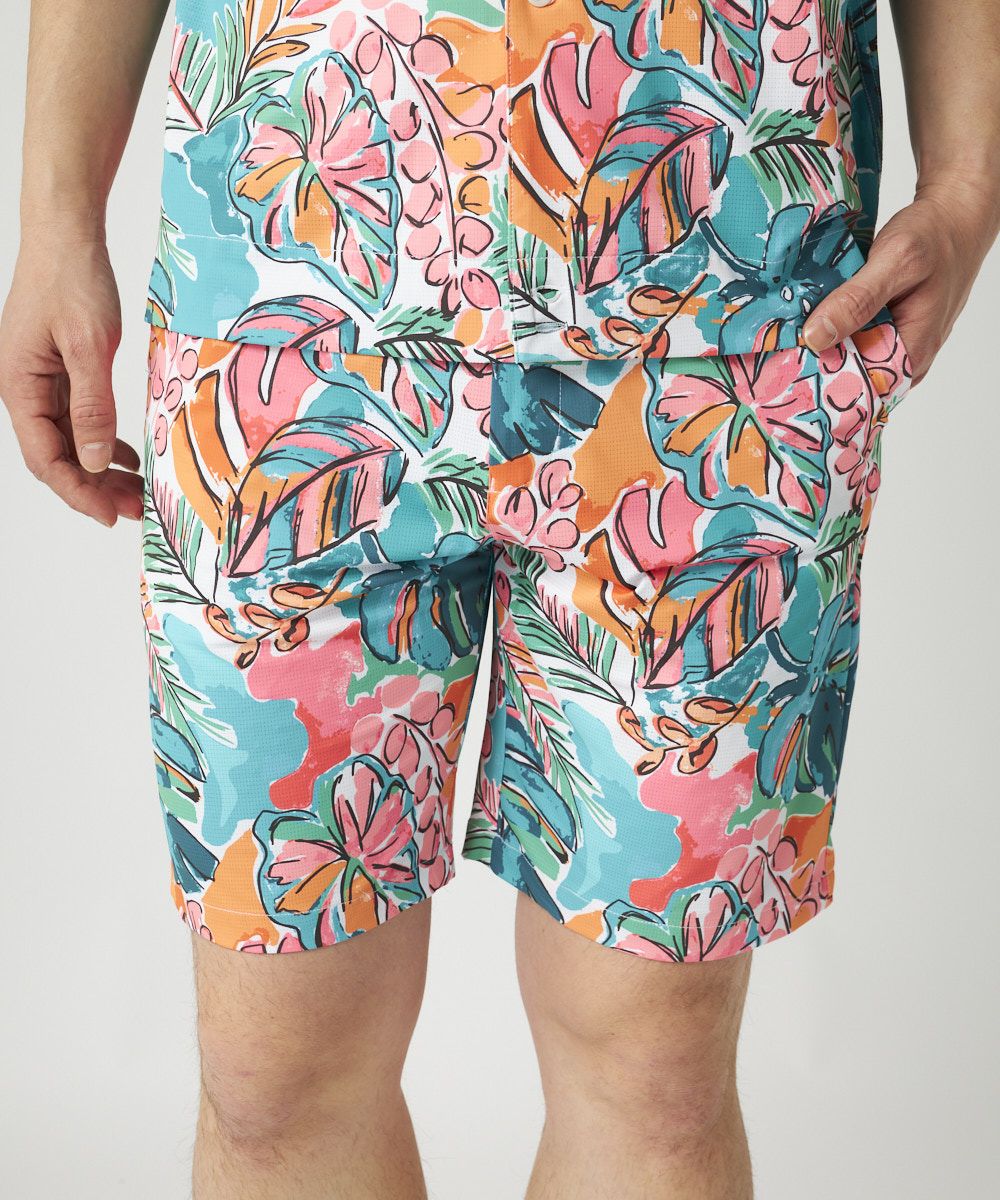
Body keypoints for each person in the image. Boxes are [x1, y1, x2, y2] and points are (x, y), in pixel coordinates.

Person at [1, 1, 997, 1197]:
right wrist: (55, 210)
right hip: (285, 296)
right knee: (274, 1072)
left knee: (656, 1079)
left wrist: (969, 177)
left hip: (726, 331)